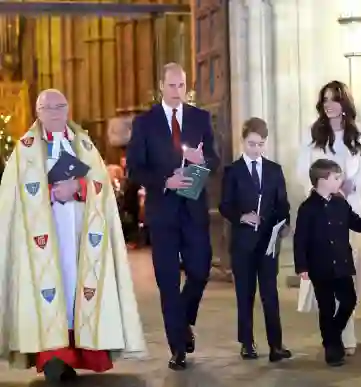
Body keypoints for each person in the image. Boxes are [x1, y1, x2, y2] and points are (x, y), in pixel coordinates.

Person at [0, 89, 146, 382]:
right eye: (47, 107)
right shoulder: (25, 150)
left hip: (80, 238)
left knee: (77, 293)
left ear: (67, 110)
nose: (54, 112)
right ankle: (53, 358)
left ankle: (79, 354)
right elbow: (11, 198)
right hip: (40, 242)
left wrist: (77, 189)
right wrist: (50, 193)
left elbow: (102, 189)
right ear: (37, 112)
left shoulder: (84, 146)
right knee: (50, 295)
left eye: (59, 107)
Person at [126, 62, 220, 370]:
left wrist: (200, 160)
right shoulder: (145, 123)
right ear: (161, 87)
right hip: (162, 211)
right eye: (171, 86)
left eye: (182, 86)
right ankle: (177, 347)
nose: (177, 92)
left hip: (193, 209)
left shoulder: (200, 118)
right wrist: (164, 180)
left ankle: (183, 322)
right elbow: (135, 169)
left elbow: (214, 160)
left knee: (199, 271)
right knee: (167, 280)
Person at [295, 80, 361, 355]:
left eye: (334, 99)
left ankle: (344, 335)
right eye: (325, 99)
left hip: (349, 207)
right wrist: (320, 193)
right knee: (327, 282)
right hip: (321, 210)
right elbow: (301, 170)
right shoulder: (312, 133)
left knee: (347, 276)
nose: (329, 104)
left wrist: (353, 183)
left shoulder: (359, 132)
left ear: (344, 103)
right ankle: (336, 339)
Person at [293, 159, 361, 367]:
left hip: (341, 263)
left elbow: (358, 224)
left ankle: (332, 334)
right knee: (326, 306)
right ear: (322, 180)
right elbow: (300, 239)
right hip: (319, 267)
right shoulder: (307, 208)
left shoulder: (340, 203)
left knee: (349, 300)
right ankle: (332, 348)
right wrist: (302, 266)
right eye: (336, 177)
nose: (341, 180)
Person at [219, 117, 292, 362]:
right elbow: (225, 205)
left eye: (260, 144)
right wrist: (242, 216)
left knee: (270, 294)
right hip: (243, 243)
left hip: (268, 242)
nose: (256, 149)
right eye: (251, 144)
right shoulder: (233, 171)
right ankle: (247, 343)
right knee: (245, 293)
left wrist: (284, 224)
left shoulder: (274, 170)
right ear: (243, 141)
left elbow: (283, 204)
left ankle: (276, 344)